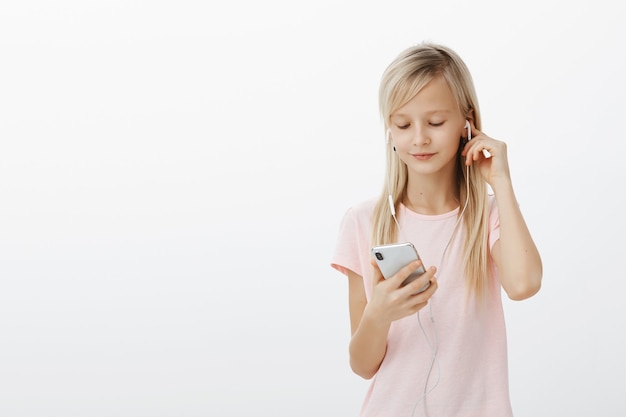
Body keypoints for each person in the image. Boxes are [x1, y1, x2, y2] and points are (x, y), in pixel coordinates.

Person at [330, 42, 542, 417]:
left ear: (467, 122)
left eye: (436, 122)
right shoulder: (364, 221)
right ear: (389, 130)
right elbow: (363, 366)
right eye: (403, 124)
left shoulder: (489, 216)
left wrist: (502, 182)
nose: (419, 138)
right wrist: (379, 313)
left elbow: (524, 285)